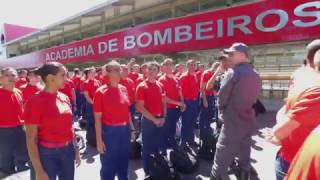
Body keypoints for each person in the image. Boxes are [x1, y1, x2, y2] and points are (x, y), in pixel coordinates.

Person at [264, 39, 320, 180]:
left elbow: (285, 109)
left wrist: (280, 134)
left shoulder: (299, 75)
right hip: (296, 160)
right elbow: (281, 129)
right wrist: (280, 133)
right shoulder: (315, 89)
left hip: (289, 156)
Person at [211, 43, 262, 180]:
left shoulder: (233, 73)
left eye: (232, 54)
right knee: (244, 152)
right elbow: (255, 98)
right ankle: (244, 174)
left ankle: (218, 176)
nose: (229, 57)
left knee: (222, 153)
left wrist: (221, 111)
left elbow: (222, 97)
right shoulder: (256, 74)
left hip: (232, 119)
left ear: (242, 55)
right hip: (248, 118)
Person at [24, 62, 80, 180]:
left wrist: (76, 149)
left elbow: (70, 127)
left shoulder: (64, 97)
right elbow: (31, 139)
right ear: (50, 78)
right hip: (47, 154)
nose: (67, 78)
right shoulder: (34, 102)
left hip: (68, 151)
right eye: (63, 75)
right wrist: (39, 171)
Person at [94, 61, 133, 180]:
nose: (119, 72)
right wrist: (99, 140)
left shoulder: (124, 89)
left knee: (124, 162)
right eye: (115, 70)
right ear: (108, 73)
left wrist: (132, 129)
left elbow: (127, 112)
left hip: (124, 130)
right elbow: (97, 119)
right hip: (110, 131)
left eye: (119, 69)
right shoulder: (100, 92)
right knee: (108, 165)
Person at [136, 61, 166, 177]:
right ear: (146, 71)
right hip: (149, 121)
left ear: (158, 71)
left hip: (160, 119)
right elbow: (140, 107)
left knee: (157, 145)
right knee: (147, 147)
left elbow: (163, 102)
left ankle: (156, 168)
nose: (152, 71)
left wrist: (163, 117)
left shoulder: (160, 85)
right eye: (149, 69)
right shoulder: (142, 86)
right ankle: (147, 171)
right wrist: (154, 119)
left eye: (154, 69)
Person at [0, 67, 29, 178]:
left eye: (13, 75)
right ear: (1, 79)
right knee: (5, 158)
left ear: (17, 77)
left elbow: (21, 109)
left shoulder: (18, 92)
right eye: (7, 75)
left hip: (20, 128)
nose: (11, 78)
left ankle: (22, 175)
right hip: (3, 130)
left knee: (23, 155)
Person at [159, 58, 186, 148]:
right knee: (164, 132)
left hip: (175, 109)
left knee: (172, 129)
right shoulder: (161, 80)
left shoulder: (176, 79)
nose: (169, 66)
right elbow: (164, 98)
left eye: (170, 64)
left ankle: (173, 148)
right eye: (167, 64)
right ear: (164, 67)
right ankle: (163, 151)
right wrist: (179, 103)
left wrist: (182, 102)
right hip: (167, 110)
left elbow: (180, 92)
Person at [178, 59, 199, 146]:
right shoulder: (183, 76)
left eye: (193, 65)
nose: (192, 66)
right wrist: (182, 103)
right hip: (187, 102)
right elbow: (179, 91)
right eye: (190, 65)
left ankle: (190, 140)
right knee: (186, 123)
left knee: (192, 122)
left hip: (195, 101)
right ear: (187, 66)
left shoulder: (194, 76)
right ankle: (183, 143)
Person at [199, 62, 220, 134]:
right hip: (205, 96)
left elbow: (213, 87)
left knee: (209, 113)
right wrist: (204, 100)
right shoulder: (206, 74)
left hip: (211, 96)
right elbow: (202, 88)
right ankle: (202, 130)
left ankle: (207, 127)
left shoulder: (213, 74)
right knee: (204, 114)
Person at [83, 67, 101, 146]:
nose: (93, 74)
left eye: (94, 72)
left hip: (97, 104)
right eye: (92, 73)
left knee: (97, 122)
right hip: (91, 105)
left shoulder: (97, 81)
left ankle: (97, 138)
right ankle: (90, 139)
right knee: (90, 122)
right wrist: (94, 103)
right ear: (88, 74)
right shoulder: (86, 83)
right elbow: (87, 97)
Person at [119, 64, 137, 129]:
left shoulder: (131, 81)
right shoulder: (117, 81)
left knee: (132, 120)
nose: (126, 71)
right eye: (124, 69)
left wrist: (136, 103)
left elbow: (134, 93)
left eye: (127, 69)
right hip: (121, 107)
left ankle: (132, 135)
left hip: (132, 105)